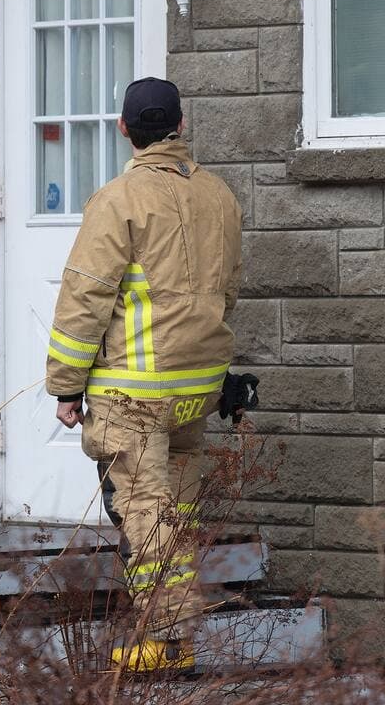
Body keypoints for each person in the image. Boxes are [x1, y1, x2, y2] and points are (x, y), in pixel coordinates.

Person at [45, 77, 243, 672]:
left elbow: (86, 297)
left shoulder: (118, 200)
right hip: (197, 389)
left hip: (135, 393)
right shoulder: (220, 197)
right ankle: (175, 634)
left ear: (124, 129)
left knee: (144, 513)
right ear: (181, 125)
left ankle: (170, 640)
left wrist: (65, 383)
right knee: (174, 516)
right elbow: (228, 292)